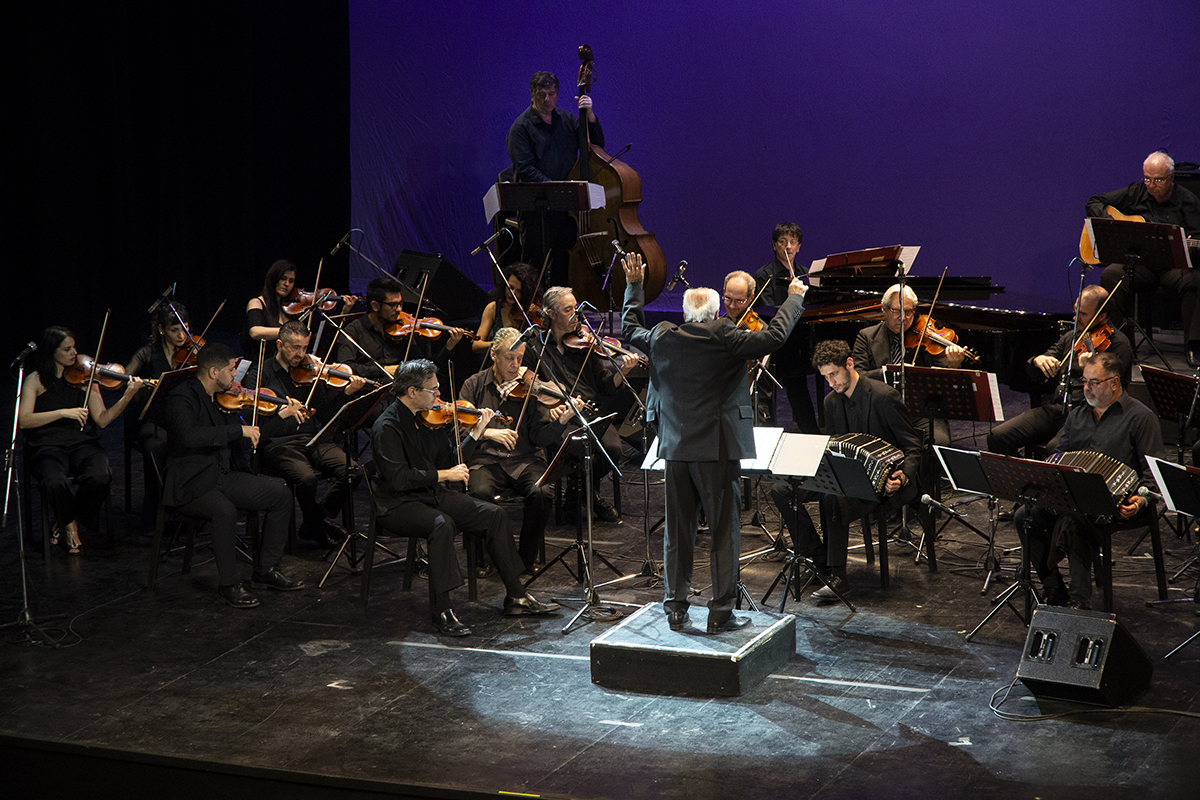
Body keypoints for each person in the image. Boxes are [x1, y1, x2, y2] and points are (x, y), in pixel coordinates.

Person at [621, 252, 808, 633]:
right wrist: (793, 297)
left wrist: (634, 286)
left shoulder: (662, 337)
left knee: (678, 531)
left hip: (674, 451)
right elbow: (775, 336)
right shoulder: (726, 335)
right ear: (716, 311)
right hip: (717, 453)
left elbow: (629, 328)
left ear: (687, 313)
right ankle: (721, 612)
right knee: (724, 532)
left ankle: (675, 607)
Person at [369, 359, 560, 636]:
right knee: (441, 524)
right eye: (433, 389)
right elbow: (400, 479)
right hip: (397, 503)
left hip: (429, 494)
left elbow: (451, 457)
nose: (439, 396)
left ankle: (517, 596)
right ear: (412, 391)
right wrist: (445, 475)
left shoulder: (429, 419)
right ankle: (441, 611)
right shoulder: (386, 426)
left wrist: (477, 432)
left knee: (493, 514)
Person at [1014, 353, 1168, 609]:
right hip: (1073, 496)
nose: (1086, 388)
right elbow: (1060, 455)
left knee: (1072, 522)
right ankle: (1055, 589)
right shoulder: (1078, 416)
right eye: (1084, 381)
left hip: (1118, 502)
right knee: (1024, 516)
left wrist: (1140, 500)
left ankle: (1079, 602)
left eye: (1094, 382)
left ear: (1115, 383)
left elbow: (1154, 472)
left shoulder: (1141, 417)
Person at [161, 342, 304, 607]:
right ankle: (228, 585)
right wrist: (238, 431)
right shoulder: (182, 397)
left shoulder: (223, 398)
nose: (234, 377)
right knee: (224, 511)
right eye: (230, 370)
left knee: (280, 495)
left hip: (221, 476)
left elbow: (242, 440)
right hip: (191, 483)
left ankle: (265, 570)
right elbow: (190, 436)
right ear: (214, 372)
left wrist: (273, 419)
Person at [807, 339, 923, 601]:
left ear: (849, 364)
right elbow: (834, 443)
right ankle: (820, 560)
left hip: (882, 483)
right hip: (848, 478)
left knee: (832, 498)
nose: (831, 383)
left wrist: (902, 475)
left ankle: (840, 579)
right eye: (825, 377)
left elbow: (913, 445)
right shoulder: (831, 402)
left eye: (833, 374)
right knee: (783, 490)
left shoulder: (884, 397)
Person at [459, 327, 579, 571]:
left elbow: (539, 437)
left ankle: (525, 558)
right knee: (480, 494)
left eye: (520, 359)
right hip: (485, 461)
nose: (515, 366)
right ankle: (483, 559)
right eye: (509, 358)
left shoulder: (529, 390)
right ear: (493, 355)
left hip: (525, 460)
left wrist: (561, 422)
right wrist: (488, 431)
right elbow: (458, 431)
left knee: (543, 493)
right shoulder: (473, 386)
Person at [18, 326, 145, 553]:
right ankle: (69, 526)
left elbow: (103, 419)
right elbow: (24, 420)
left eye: (74, 347)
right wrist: (62, 413)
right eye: (67, 349)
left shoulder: (87, 379)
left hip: (82, 443)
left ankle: (67, 516)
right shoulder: (35, 380)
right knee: (54, 480)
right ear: (51, 351)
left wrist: (127, 396)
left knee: (101, 475)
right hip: (47, 446)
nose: (74, 353)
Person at [243, 320, 368, 548]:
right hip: (279, 444)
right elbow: (256, 428)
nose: (301, 354)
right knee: (307, 478)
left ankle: (313, 522)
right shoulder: (259, 375)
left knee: (353, 471)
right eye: (294, 348)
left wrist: (347, 393)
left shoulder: (309, 371)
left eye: (304, 348)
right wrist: (282, 416)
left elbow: (327, 411)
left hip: (312, 439)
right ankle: (317, 526)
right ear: (280, 345)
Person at [987, 285, 1132, 460]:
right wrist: (1037, 360)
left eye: (1083, 314)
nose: (1075, 317)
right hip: (1057, 408)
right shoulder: (1072, 337)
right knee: (998, 437)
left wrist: (1090, 368)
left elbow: (1116, 393)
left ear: (1102, 316)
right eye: (1075, 311)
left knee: (1055, 450)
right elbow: (1041, 365)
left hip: (1087, 414)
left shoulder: (1118, 345)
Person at [534, 284, 637, 522]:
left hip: (592, 412)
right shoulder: (538, 347)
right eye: (568, 309)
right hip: (561, 417)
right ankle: (591, 498)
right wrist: (548, 404)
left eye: (576, 308)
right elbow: (531, 384)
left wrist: (623, 371)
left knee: (612, 449)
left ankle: (578, 491)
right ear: (551, 313)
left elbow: (605, 386)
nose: (576, 315)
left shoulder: (585, 344)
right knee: (577, 448)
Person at [1090, 152, 1200, 365]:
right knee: (1111, 275)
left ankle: (1194, 346)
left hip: (1174, 268)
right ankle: (1120, 345)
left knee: (1196, 281)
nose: (1151, 185)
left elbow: (1197, 236)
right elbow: (1095, 201)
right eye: (1147, 179)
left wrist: (1189, 244)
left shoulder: (1188, 201)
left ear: (1171, 177)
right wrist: (1110, 222)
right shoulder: (1135, 192)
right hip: (1141, 265)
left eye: (1158, 180)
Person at [506, 71, 603, 287]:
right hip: (535, 211)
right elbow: (526, 170)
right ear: (532, 95)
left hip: (566, 209)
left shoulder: (567, 120)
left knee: (563, 262)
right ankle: (531, 313)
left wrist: (590, 116)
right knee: (534, 268)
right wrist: (557, 189)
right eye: (542, 95)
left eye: (551, 94)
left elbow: (596, 147)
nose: (547, 100)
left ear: (557, 93)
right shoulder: (520, 128)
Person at [851, 282, 968, 445]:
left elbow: (944, 380)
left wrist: (954, 366)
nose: (903, 317)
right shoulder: (866, 337)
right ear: (884, 310)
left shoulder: (927, 337)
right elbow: (857, 378)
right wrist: (892, 372)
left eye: (908, 312)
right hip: (882, 411)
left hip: (921, 411)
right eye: (896, 311)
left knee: (939, 443)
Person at [335, 276, 466, 386]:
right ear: (375, 305)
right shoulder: (353, 330)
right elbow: (345, 367)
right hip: (368, 392)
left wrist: (448, 346)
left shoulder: (402, 330)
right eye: (393, 305)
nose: (398, 310)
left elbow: (424, 367)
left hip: (398, 394)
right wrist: (383, 370)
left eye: (400, 304)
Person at [751, 223, 818, 433]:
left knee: (798, 387)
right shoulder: (764, 275)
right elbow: (766, 312)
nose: (788, 247)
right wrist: (792, 299)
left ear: (798, 247)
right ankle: (767, 434)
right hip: (772, 344)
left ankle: (810, 434)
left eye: (792, 242)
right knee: (767, 393)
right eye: (782, 242)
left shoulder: (806, 275)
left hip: (797, 342)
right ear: (774, 245)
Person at [244, 259, 355, 357]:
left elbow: (320, 335)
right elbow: (255, 332)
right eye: (283, 279)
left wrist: (344, 311)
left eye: (291, 281)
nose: (287, 284)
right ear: (273, 278)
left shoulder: (292, 308)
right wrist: (289, 332)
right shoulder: (257, 302)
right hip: (263, 365)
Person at [472, 262, 542, 356]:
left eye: (519, 291)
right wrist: (500, 344)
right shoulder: (493, 308)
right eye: (510, 287)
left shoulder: (531, 312)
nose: (512, 293)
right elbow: (476, 345)